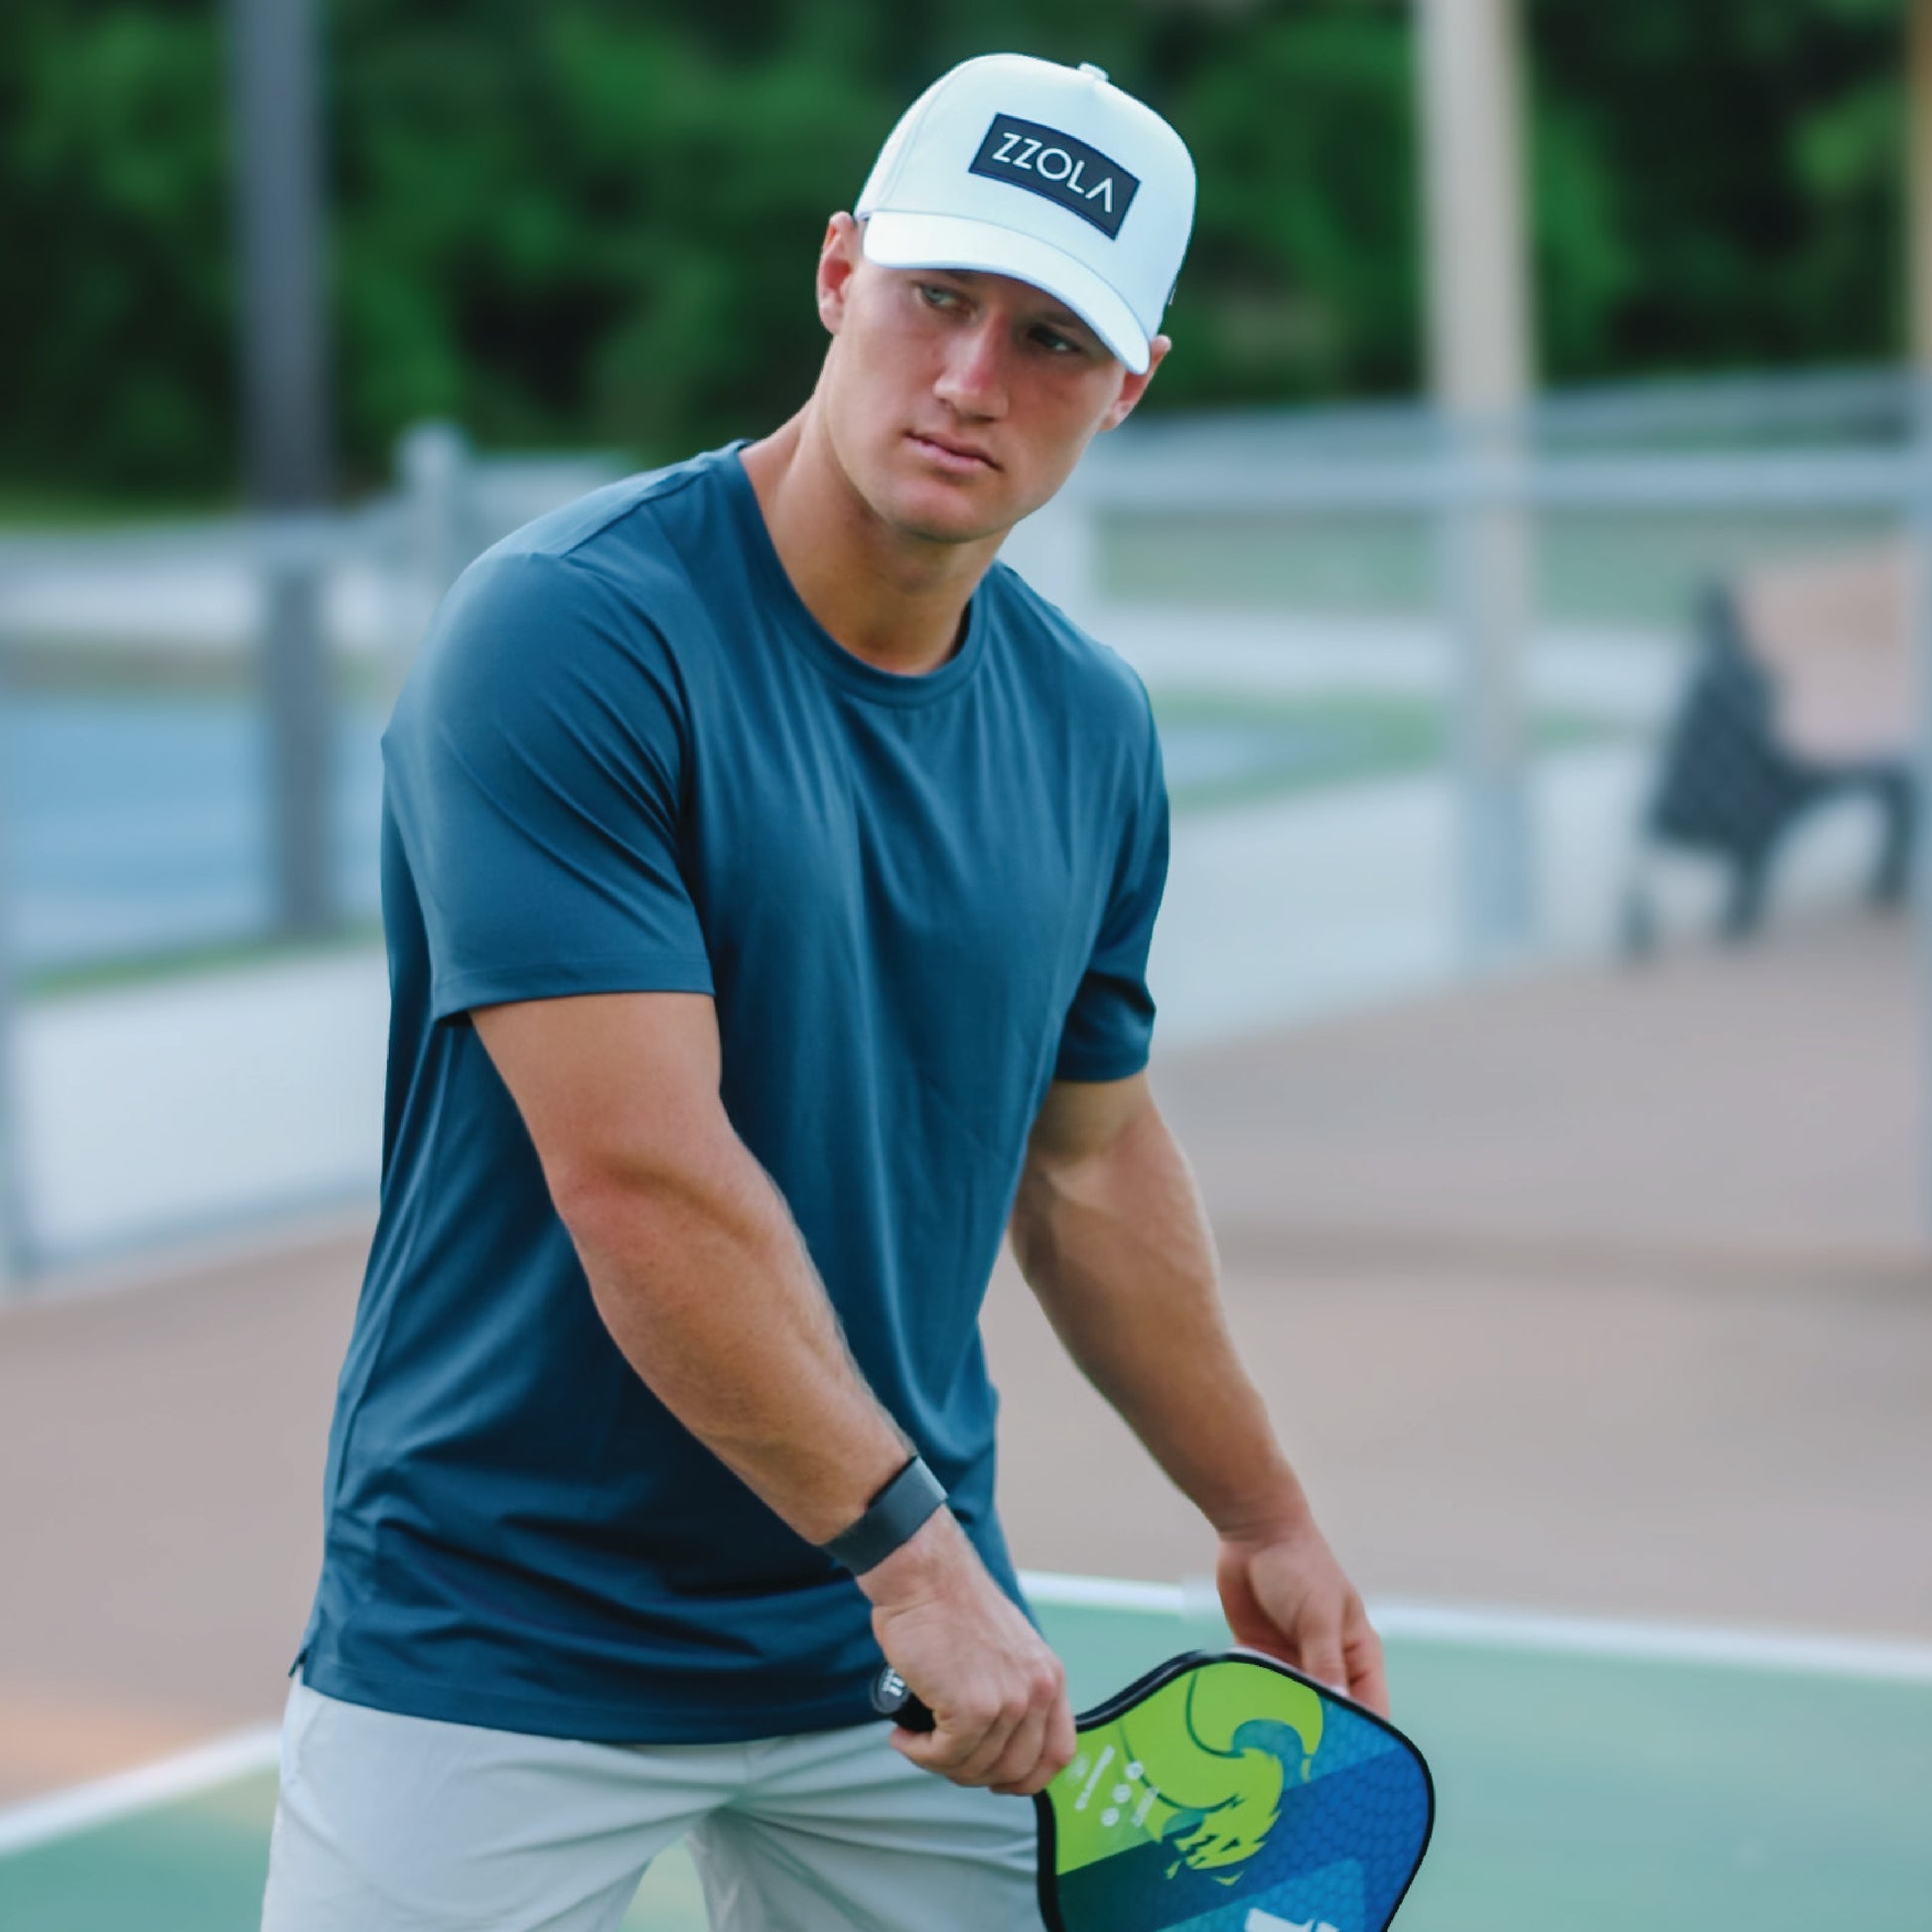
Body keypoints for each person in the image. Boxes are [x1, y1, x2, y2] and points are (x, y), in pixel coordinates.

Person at [262, 50, 1385, 1932]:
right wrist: (911, 1563)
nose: (969, 378)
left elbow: (1088, 1165)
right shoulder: (570, 634)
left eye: (1047, 338)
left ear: (1128, 389)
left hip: (901, 1672)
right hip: (504, 1627)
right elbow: (642, 1178)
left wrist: (1259, 1510)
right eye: (939, 296)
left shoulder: (1085, 726)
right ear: (837, 273)